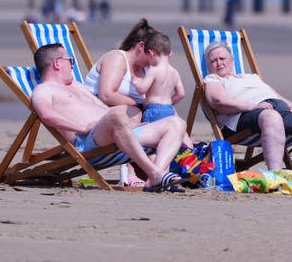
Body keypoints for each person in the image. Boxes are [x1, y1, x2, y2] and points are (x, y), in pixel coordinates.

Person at [31, 43, 186, 190]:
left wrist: (126, 126)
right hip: (89, 142)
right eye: (70, 60)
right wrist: (83, 128)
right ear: (57, 63)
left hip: (117, 134)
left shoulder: (77, 85)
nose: (72, 65)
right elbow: (46, 114)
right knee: (117, 114)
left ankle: (154, 179)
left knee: (176, 123)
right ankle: (156, 174)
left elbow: (102, 109)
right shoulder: (44, 90)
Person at [202, 41, 292, 189]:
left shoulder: (250, 77)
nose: (219, 63)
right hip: (243, 118)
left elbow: (274, 95)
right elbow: (218, 101)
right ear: (208, 66)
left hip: (276, 112)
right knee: (271, 117)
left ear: (232, 60)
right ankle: (276, 178)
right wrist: (252, 106)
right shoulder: (212, 80)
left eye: (222, 59)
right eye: (213, 61)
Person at [84, 18, 191, 186]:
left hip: (133, 128)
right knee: (134, 114)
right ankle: (133, 171)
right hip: (102, 127)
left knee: (177, 124)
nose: (154, 59)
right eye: (152, 52)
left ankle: (159, 176)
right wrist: (139, 104)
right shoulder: (117, 58)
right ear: (142, 47)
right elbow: (106, 95)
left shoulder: (148, 69)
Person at [132, 33, 192, 147]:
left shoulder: (154, 70)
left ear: (151, 53)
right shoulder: (174, 72)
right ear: (170, 54)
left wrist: (136, 82)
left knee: (153, 141)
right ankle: (190, 152)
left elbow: (141, 90)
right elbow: (181, 94)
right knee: (171, 137)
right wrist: (167, 103)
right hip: (169, 109)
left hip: (153, 111)